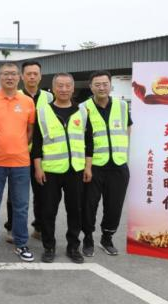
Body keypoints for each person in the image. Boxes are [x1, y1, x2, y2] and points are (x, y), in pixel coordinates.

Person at [0, 62, 36, 262]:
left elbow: (30, 130)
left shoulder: (27, 102)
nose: (9, 77)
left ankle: (21, 243)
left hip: (21, 162)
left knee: (21, 206)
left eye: (13, 74)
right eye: (5, 74)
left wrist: (17, 146)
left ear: (19, 77)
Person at [32, 73, 88, 264]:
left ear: (73, 88)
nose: (64, 89)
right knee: (48, 211)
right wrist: (38, 168)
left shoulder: (82, 111)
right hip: (50, 171)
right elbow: (37, 143)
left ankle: (73, 247)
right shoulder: (43, 112)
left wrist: (88, 167)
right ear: (53, 88)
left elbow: (88, 142)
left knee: (75, 211)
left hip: (76, 170)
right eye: (60, 86)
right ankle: (49, 247)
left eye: (67, 86)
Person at [80, 70, 132, 257]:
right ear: (91, 87)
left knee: (114, 206)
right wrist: (86, 165)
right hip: (93, 166)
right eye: (97, 84)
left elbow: (128, 128)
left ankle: (107, 238)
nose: (102, 87)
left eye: (105, 84)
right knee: (89, 206)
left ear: (111, 85)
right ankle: (88, 238)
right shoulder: (83, 108)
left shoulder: (122, 106)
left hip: (118, 165)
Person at [5, 60, 55, 241]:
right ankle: (12, 228)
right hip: (19, 153)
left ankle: (39, 228)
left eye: (35, 74)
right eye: (28, 74)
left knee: (42, 193)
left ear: (40, 76)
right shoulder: (14, 96)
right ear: (22, 76)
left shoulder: (49, 97)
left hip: (42, 154)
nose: (32, 77)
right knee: (15, 194)